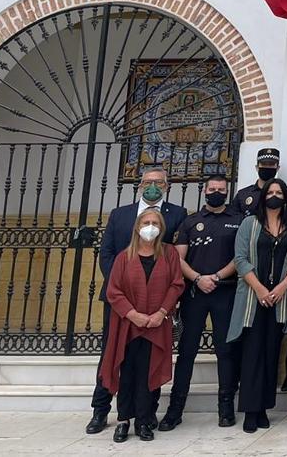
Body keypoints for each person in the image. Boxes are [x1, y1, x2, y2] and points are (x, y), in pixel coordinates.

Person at [87, 167, 185, 435]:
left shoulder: (177, 214)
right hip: (123, 307)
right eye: (148, 181)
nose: (153, 186)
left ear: (166, 185)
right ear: (140, 184)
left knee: (148, 362)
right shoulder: (120, 215)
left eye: (158, 182)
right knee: (114, 355)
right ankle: (101, 410)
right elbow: (107, 253)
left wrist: (160, 309)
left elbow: (176, 272)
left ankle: (146, 416)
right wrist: (128, 292)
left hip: (157, 311)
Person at [160, 175, 243, 431]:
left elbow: (241, 256)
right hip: (194, 294)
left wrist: (216, 277)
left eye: (221, 189)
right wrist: (198, 279)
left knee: (225, 351)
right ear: (205, 191)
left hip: (224, 292)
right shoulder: (190, 221)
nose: (216, 192)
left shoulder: (237, 221)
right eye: (212, 189)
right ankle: (175, 410)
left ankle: (225, 408)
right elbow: (178, 258)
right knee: (187, 351)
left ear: (227, 192)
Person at [228, 177, 287, 433]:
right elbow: (241, 258)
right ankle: (250, 410)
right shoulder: (250, 223)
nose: (274, 196)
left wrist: (280, 288)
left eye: (279, 192)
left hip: (279, 300)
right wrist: (259, 288)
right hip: (253, 299)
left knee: (271, 354)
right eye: (271, 192)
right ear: (263, 195)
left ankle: (265, 408)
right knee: (252, 355)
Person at [231, 147, 287, 216]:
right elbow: (234, 220)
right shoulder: (243, 195)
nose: (267, 167)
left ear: (277, 168)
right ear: (257, 167)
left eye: (271, 164)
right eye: (264, 164)